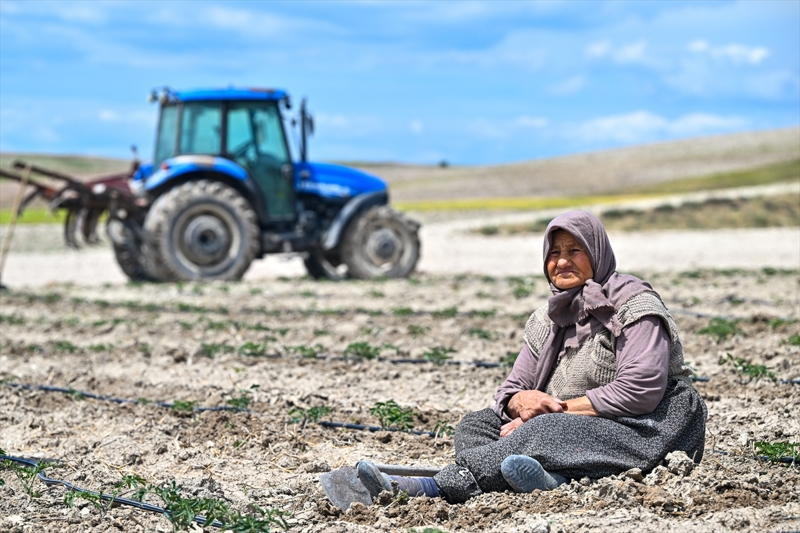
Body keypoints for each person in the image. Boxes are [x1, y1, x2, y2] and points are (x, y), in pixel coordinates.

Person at [357, 210, 707, 504]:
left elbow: (640, 390)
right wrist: (521, 401)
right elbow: (511, 389)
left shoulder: (634, 306)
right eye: (554, 253)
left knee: (544, 430)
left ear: (597, 252)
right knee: (476, 424)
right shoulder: (548, 318)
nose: (563, 261)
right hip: (569, 428)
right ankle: (551, 479)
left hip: (647, 428)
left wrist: (546, 413)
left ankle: (431, 487)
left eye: (575, 250)